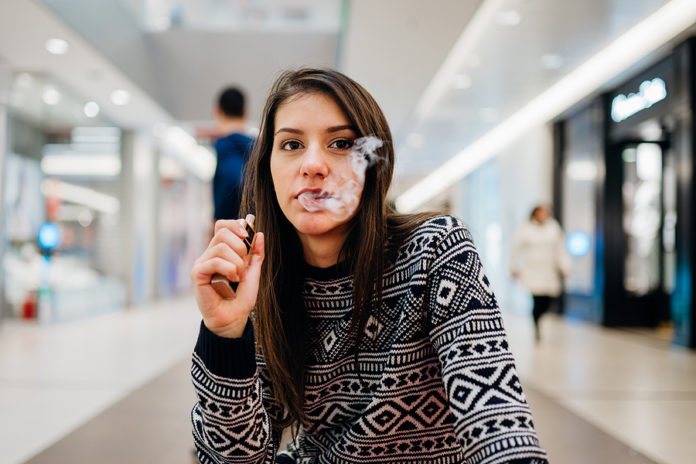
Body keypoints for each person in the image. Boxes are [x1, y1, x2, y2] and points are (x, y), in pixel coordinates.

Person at [190, 68, 548, 464]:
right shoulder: (260, 277)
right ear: (268, 169)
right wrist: (225, 333)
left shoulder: (436, 249)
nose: (312, 165)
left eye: (341, 143)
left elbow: (499, 425)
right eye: (291, 144)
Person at [509, 205, 571, 342]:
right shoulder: (526, 229)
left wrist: (565, 266)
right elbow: (515, 249)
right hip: (532, 271)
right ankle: (537, 325)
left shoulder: (553, 228)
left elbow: (561, 249)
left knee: (547, 301)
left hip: (548, 270)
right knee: (537, 300)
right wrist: (513, 267)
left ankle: (539, 317)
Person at [212, 86, 255, 221]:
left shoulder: (225, 144)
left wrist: (217, 219)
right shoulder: (255, 146)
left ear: (217, 111)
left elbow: (233, 181)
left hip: (233, 226)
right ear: (245, 112)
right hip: (255, 223)